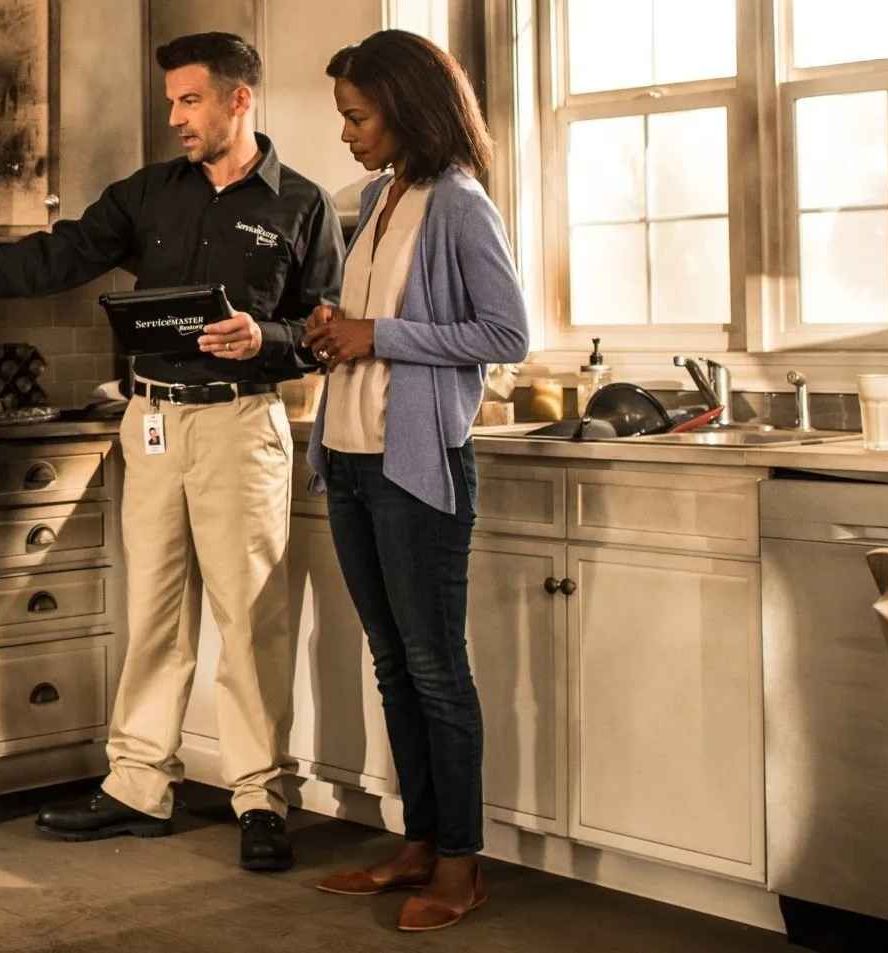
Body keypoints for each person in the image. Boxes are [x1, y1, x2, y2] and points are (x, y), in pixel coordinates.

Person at [0, 32, 344, 873]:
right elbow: (58, 255)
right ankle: (138, 785)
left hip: (240, 424)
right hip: (151, 425)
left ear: (239, 100)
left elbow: (324, 333)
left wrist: (265, 335)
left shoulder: (301, 204)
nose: (176, 119)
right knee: (152, 611)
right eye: (171, 103)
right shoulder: (149, 195)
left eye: (191, 101)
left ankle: (259, 796)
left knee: (250, 619)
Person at [300, 30, 529, 931]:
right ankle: (419, 842)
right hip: (352, 462)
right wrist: (336, 327)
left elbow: (506, 335)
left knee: (436, 670)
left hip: (417, 472)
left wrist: (375, 336)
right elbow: (376, 323)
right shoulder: (377, 198)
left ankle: (463, 863)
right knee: (394, 666)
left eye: (358, 117)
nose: (349, 135)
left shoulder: (459, 204)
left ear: (407, 107)